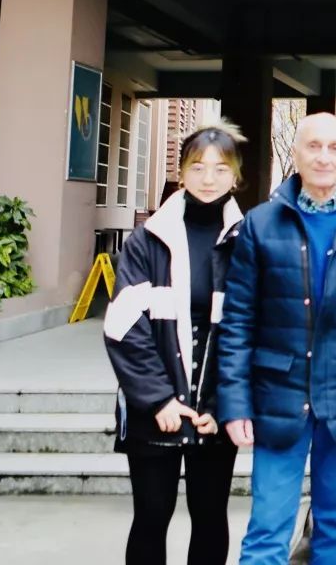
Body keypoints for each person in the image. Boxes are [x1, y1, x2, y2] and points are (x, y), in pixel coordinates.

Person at [217, 111, 336, 565]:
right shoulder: (261, 222)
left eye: (334, 147)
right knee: (268, 526)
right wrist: (235, 403)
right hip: (278, 394)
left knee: (335, 521)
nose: (324, 157)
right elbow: (238, 320)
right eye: (314, 146)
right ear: (297, 153)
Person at [104, 120, 247, 565]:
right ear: (181, 172)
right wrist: (159, 399)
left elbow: (250, 331)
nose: (208, 179)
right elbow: (124, 325)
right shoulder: (147, 239)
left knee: (210, 517)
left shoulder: (247, 242)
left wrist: (222, 405)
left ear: (235, 176)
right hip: (154, 407)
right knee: (151, 515)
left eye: (220, 169)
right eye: (198, 167)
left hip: (213, 410)